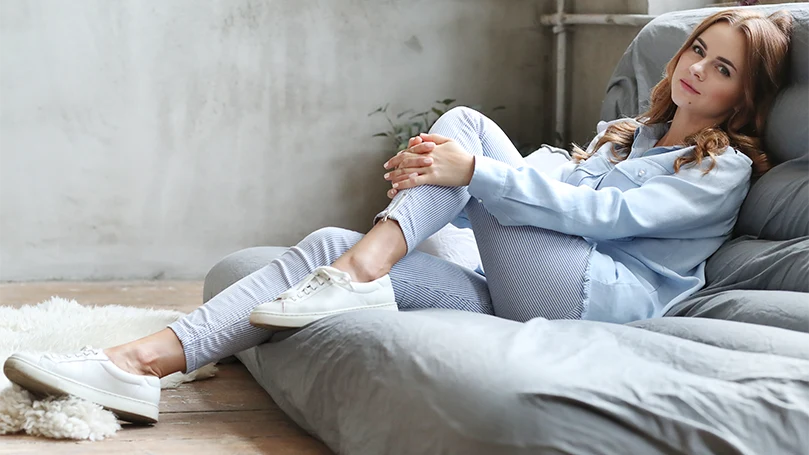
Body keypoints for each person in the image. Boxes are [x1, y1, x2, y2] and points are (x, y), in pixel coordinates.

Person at [3, 9, 793, 425]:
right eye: (696, 48)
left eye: (721, 68)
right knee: (326, 242)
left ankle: (358, 272)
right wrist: (445, 187)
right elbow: (551, 185)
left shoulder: (717, 167)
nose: (694, 68)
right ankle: (136, 366)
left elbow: (595, 217)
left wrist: (468, 169)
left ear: (744, 95)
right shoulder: (633, 133)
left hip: (594, 296)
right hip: (525, 278)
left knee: (471, 132)